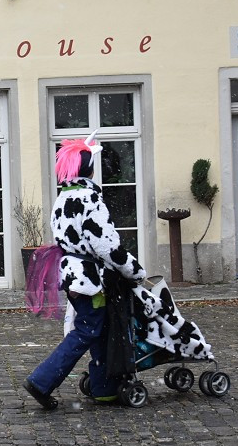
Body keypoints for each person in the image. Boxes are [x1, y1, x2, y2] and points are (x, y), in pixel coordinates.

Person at [22, 132, 146, 410]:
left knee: (99, 329)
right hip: (90, 279)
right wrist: (135, 270)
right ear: (89, 169)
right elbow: (106, 245)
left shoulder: (63, 199)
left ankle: (104, 388)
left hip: (73, 274)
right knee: (87, 330)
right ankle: (42, 381)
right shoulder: (89, 199)